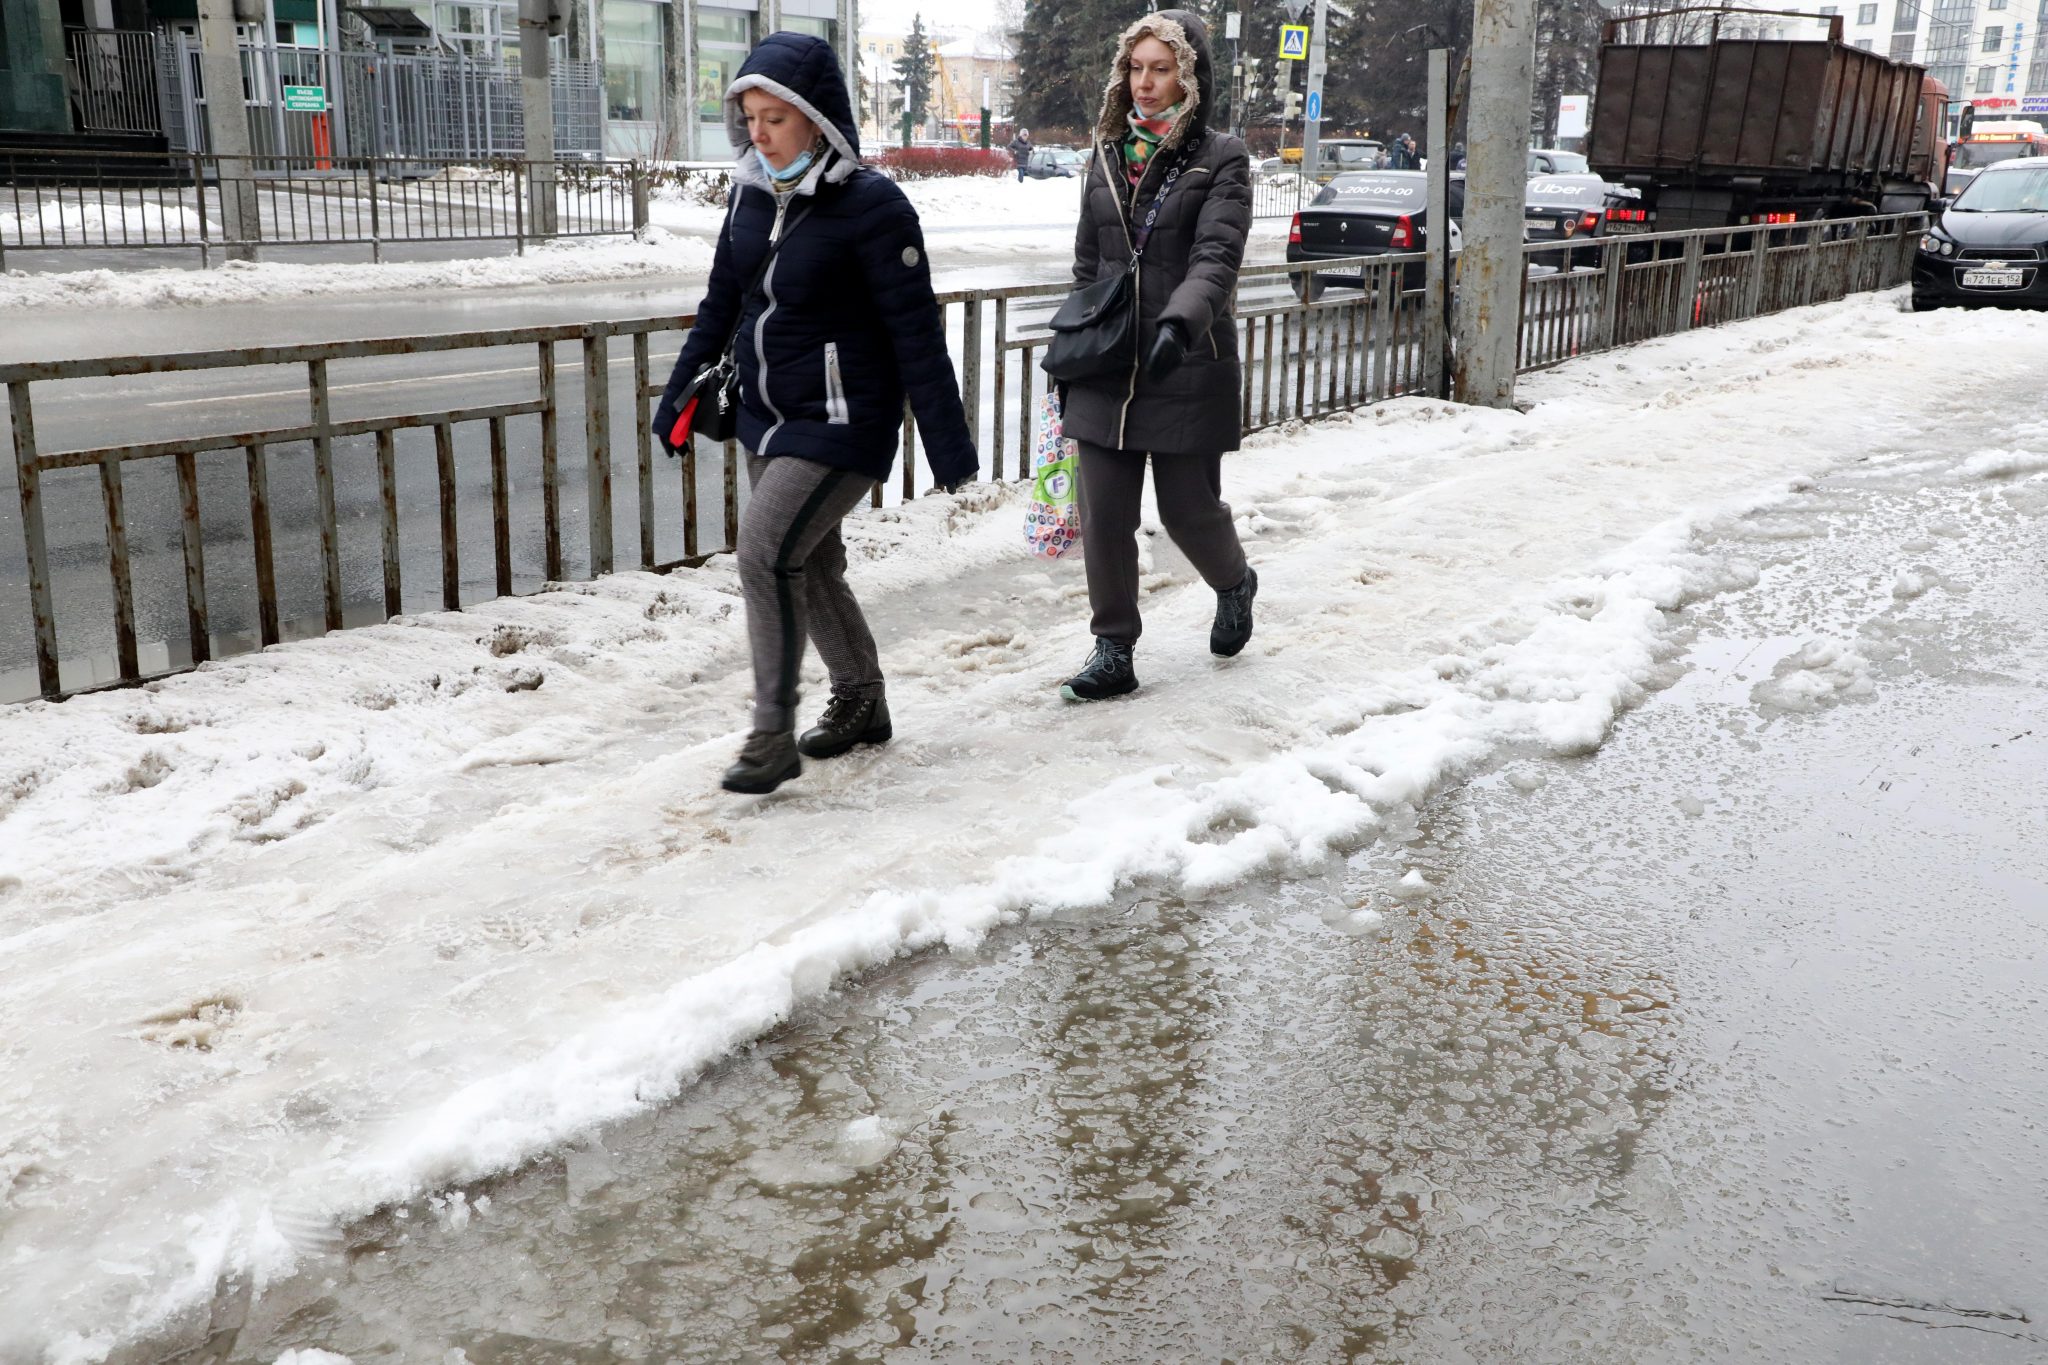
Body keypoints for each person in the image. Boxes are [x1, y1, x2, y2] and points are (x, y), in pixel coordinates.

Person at [655, 32, 977, 794]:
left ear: (817, 119)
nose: (760, 135)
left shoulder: (872, 205)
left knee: (765, 553)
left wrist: (949, 449)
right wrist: (676, 394)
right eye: (752, 118)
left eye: (776, 119)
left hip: (843, 420)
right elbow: (722, 304)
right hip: (768, 413)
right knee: (817, 562)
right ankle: (862, 697)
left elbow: (914, 330)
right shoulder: (750, 195)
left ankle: (770, 733)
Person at [1054, 9, 1256, 703]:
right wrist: (1071, 350)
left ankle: (1234, 582)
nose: (1144, 82)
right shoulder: (1106, 152)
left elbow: (1216, 256)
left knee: (1185, 509)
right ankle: (1114, 647)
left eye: (1160, 68)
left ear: (1189, 78)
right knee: (1104, 512)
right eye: (1136, 67)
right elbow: (1089, 261)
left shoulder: (1222, 157)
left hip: (1185, 358)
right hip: (1109, 362)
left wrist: (1181, 322)